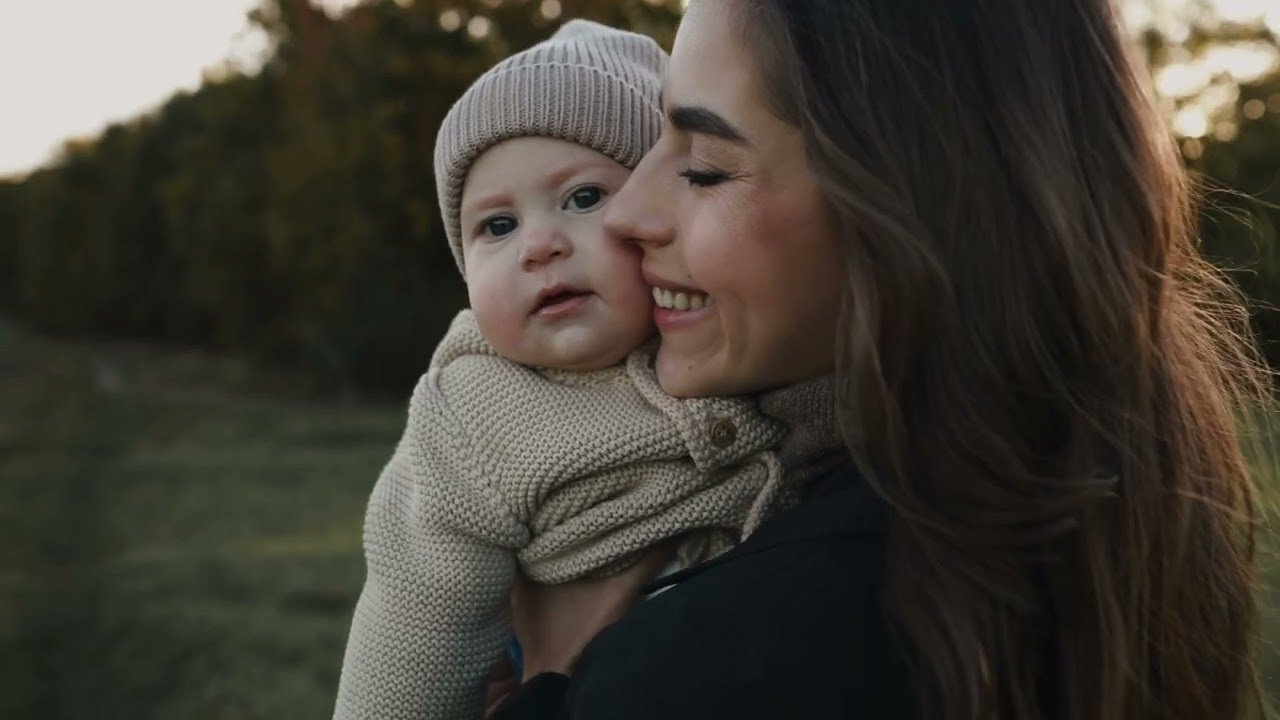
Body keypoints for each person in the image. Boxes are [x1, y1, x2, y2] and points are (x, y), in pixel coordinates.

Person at [492, 1, 1269, 718]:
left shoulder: (719, 662)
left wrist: (561, 674)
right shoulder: (1123, 521)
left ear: (907, 205)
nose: (627, 212)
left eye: (704, 167)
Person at [331, 19, 810, 720]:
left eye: (584, 198)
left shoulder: (734, 342)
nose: (540, 246)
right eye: (497, 226)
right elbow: (412, 629)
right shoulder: (472, 412)